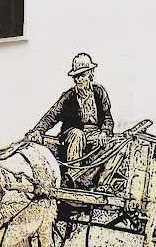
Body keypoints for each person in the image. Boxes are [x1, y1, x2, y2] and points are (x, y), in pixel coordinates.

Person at [26, 53, 114, 186]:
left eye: (82, 75)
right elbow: (52, 115)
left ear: (90, 74)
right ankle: (72, 179)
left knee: (110, 144)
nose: (79, 80)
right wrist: (38, 130)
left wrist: (105, 132)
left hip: (95, 133)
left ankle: (92, 181)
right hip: (73, 133)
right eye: (76, 77)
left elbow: (107, 117)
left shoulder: (99, 92)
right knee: (77, 135)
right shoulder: (68, 97)